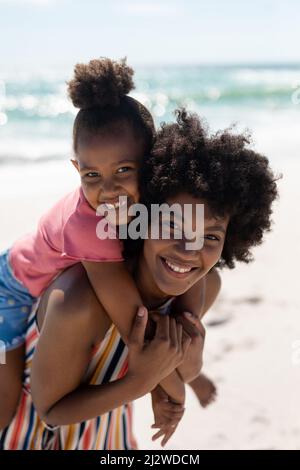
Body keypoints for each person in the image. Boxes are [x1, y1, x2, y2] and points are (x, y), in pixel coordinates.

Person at [0, 109, 279, 449]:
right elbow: (52, 411)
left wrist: (188, 374)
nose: (189, 251)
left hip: (107, 432)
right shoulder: (78, 302)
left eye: (209, 238)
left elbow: (163, 362)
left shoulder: (204, 286)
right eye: (173, 226)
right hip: (30, 432)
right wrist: (144, 383)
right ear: (141, 218)